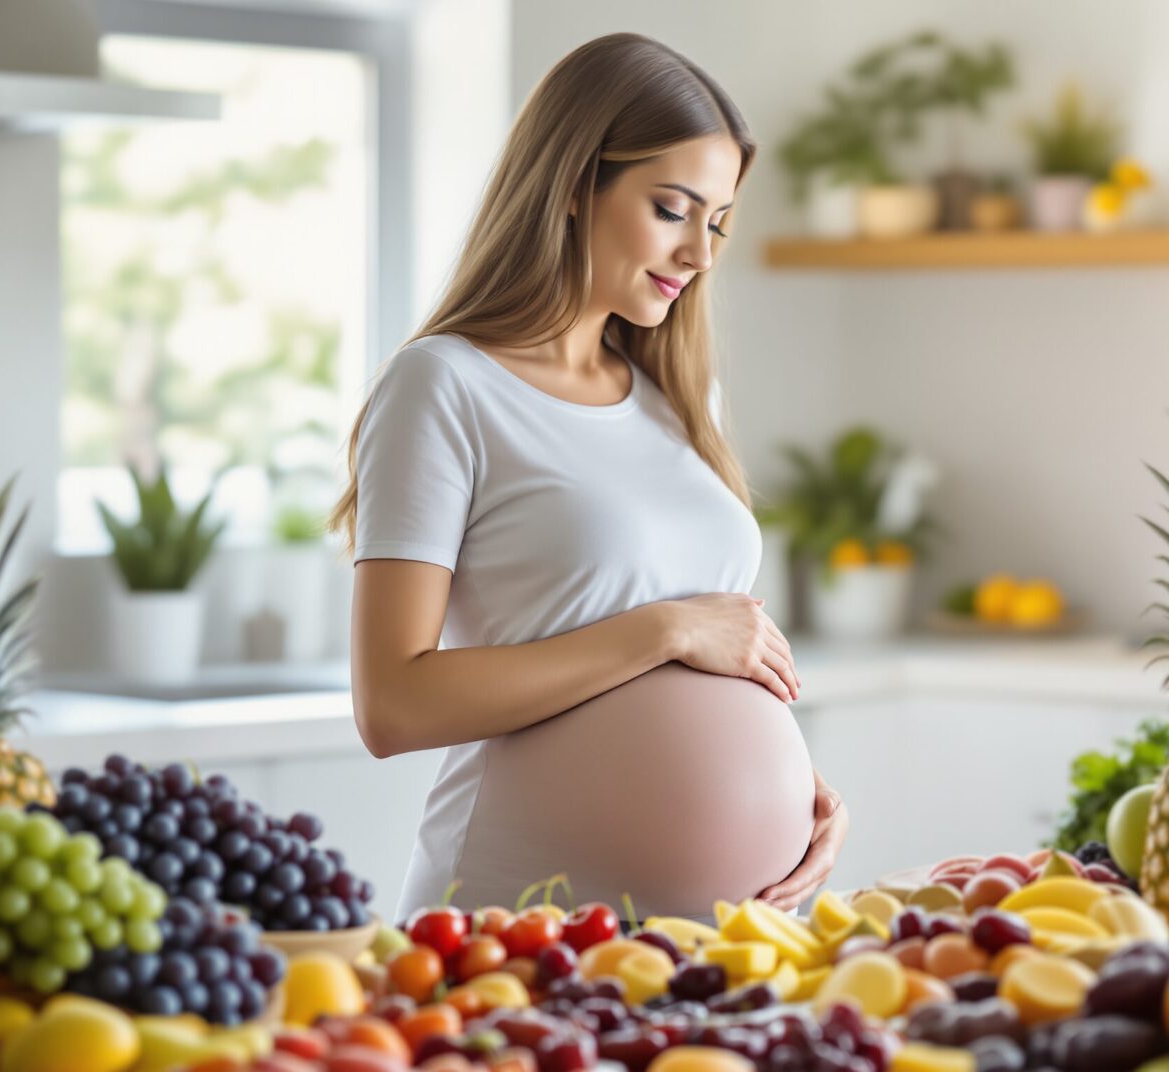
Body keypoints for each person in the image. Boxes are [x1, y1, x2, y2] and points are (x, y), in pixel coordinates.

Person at [330, 32, 847, 924]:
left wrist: (800, 795)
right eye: (673, 208)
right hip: (521, 929)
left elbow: (709, 654)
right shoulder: (445, 384)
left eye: (717, 220)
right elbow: (393, 704)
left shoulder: (680, 397)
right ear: (574, 185)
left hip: (732, 938)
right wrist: (661, 631)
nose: (700, 253)